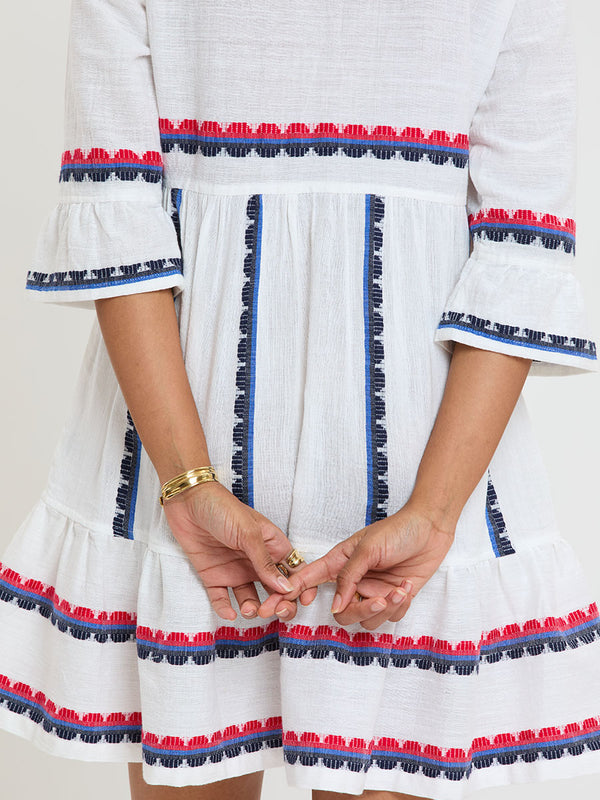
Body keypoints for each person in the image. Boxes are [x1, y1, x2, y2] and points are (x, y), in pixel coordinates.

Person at [1, 0, 600, 798]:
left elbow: (516, 257)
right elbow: (117, 224)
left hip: (395, 493)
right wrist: (195, 489)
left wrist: (430, 514)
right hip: (345, 487)